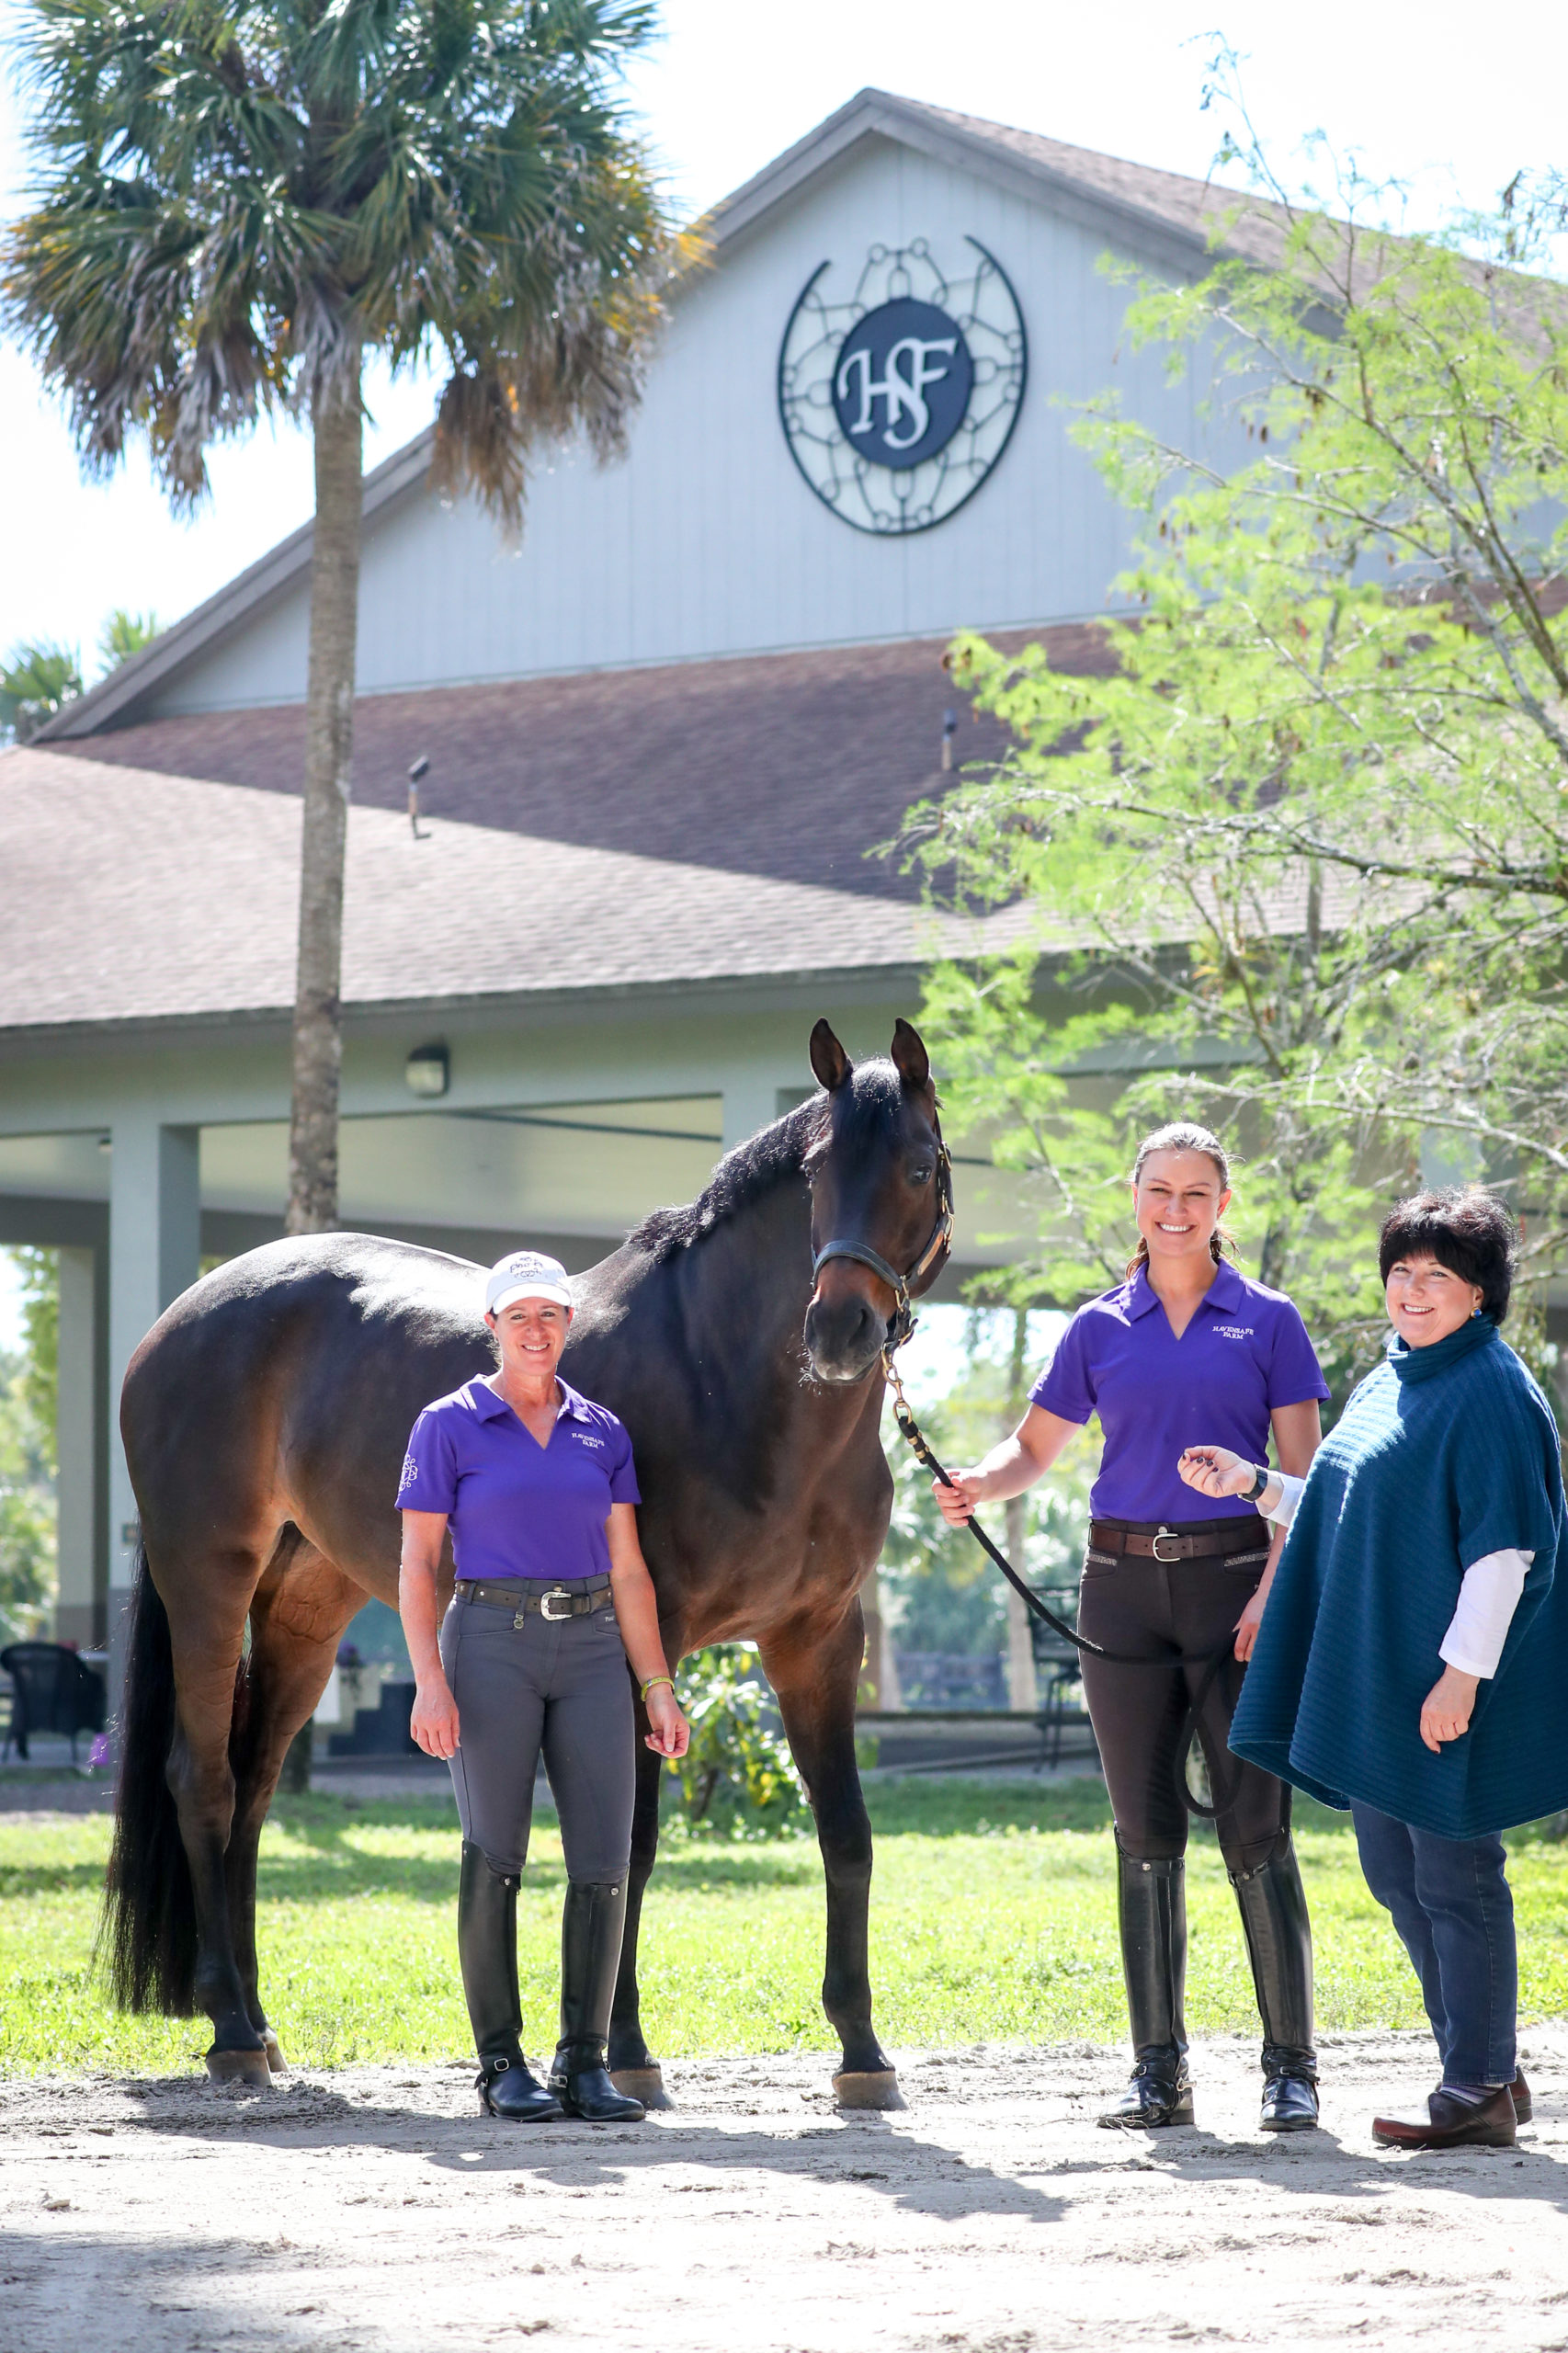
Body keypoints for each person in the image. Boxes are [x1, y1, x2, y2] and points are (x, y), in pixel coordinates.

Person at [936, 1123, 1329, 2131]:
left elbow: (1304, 1483)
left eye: (1195, 1193)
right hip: (1117, 1585)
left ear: (1221, 1205)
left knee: (1253, 1830)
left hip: (1237, 1585)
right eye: (1159, 1190)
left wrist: (1271, 1592)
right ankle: (1157, 2073)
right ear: (1134, 1196)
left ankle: (1291, 2069)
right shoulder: (1096, 1327)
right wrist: (980, 1480)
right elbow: (1032, 1449)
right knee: (1142, 1834)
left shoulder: (1270, 1320)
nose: (1175, 1209)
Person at [1190, 1188, 1568, 2152]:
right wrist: (1254, 1484)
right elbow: (1342, 1498)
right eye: (1399, 1271)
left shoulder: (1488, 1389)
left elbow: (1503, 1553)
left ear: (1478, 1293)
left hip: (1445, 1677)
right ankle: (1484, 2059)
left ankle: (1475, 2084)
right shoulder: (1395, 1376)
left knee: (1454, 1873)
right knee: (1392, 1870)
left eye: (1434, 1275)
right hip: (1380, 1677)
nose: (1410, 1289)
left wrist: (1459, 1678)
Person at [398, 1248, 689, 2124]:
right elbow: (416, 1563)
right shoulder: (448, 1425)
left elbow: (631, 1571)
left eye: (551, 1315)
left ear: (570, 1326)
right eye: (518, 1316)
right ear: (491, 1327)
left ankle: (585, 2062)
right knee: (497, 1850)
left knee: (603, 1862)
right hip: (490, 1642)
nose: (535, 1330)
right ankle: (499, 2066)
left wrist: (657, 1685)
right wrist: (429, 1682)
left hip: (598, 1645)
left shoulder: (603, 1430)